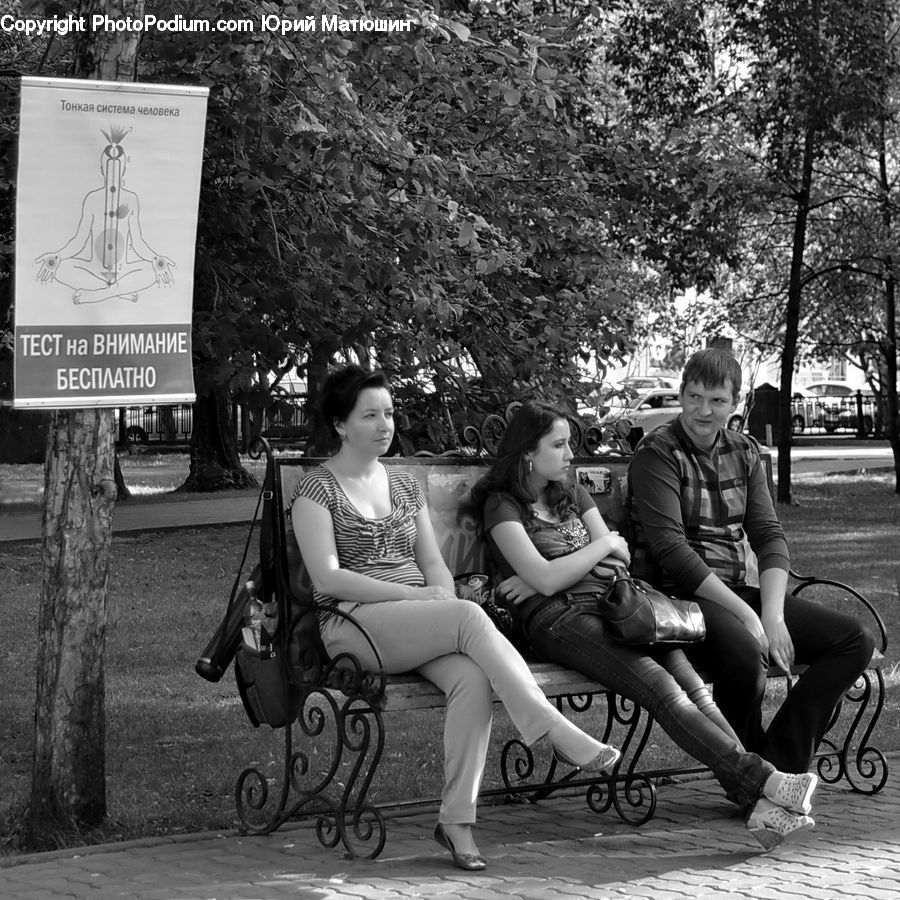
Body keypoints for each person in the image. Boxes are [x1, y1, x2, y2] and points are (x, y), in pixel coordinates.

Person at [290, 365, 620, 872]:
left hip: (418, 619)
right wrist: (418, 598)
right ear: (340, 424)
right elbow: (328, 580)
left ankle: (456, 820)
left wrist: (433, 594)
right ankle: (552, 729)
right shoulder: (317, 490)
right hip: (354, 625)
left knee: (470, 678)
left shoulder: (403, 484)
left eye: (390, 413)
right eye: (370, 415)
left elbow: (435, 568)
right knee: (466, 616)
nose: (385, 425)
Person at [469, 399, 820, 851]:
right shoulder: (502, 507)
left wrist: (568, 564)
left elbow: (617, 558)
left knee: (693, 687)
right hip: (557, 619)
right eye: (559, 445)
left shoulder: (570, 492)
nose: (571, 454)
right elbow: (551, 578)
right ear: (527, 454)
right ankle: (768, 782)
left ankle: (762, 804)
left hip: (621, 606)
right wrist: (590, 554)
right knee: (661, 688)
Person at [628, 348, 875, 779]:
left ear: (735, 403)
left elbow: (768, 536)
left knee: (854, 639)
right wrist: (750, 616)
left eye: (717, 400)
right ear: (682, 394)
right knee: (746, 656)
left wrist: (773, 615)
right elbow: (672, 551)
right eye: (694, 396)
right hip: (678, 599)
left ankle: (772, 767)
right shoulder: (657, 454)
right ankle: (755, 780)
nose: (703, 410)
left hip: (735, 592)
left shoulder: (745, 452)